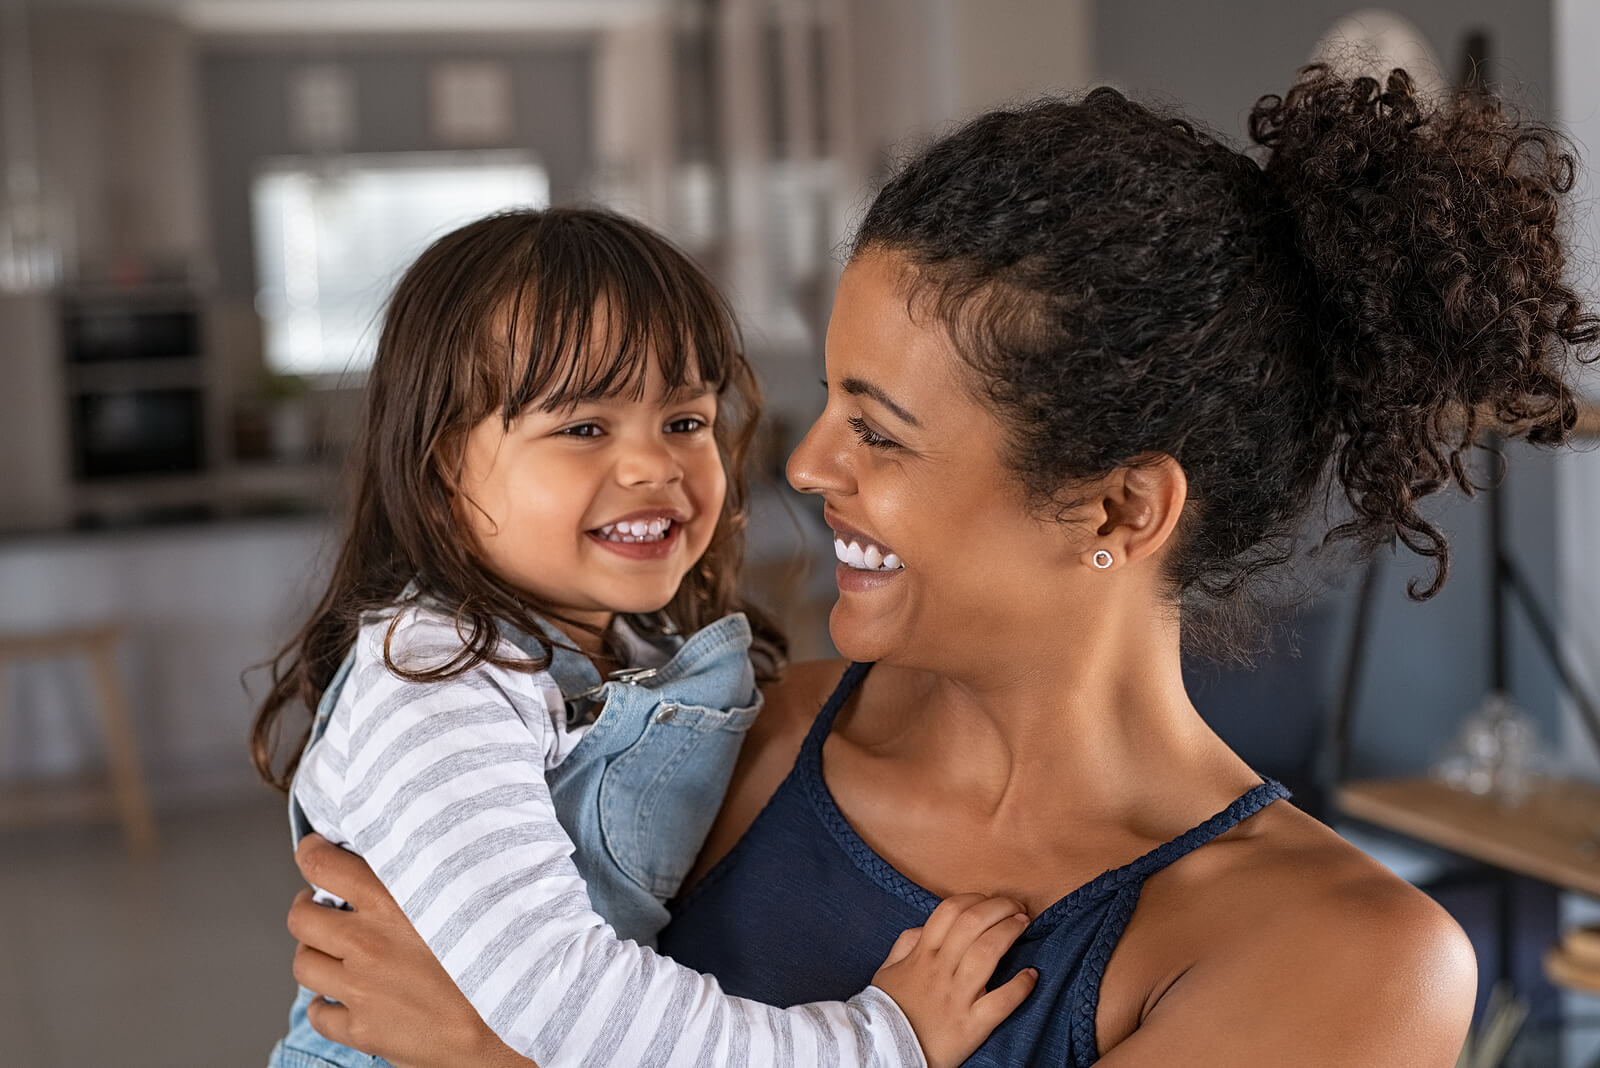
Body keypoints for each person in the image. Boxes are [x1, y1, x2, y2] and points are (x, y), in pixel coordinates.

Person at [282, 67, 1596, 1067]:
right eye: (828, 402)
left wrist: (493, 1056)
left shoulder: (1346, 957)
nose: (804, 470)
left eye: (882, 431)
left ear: (1121, 505)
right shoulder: (726, 735)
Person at [251, 207, 1038, 1068]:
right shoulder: (439, 682)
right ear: (445, 463)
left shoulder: (638, 654)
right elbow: (563, 996)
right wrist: (877, 1044)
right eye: (584, 428)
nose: (654, 465)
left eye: (685, 421)